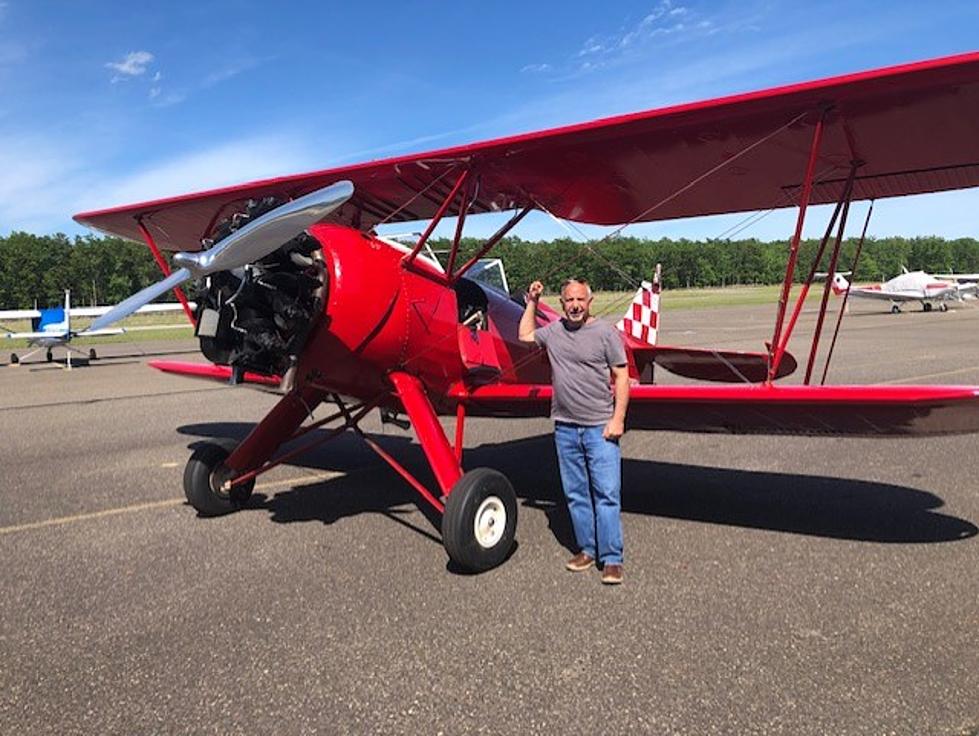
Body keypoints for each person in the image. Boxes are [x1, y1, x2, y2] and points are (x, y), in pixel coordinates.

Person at [518, 278, 630, 585]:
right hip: (565, 427)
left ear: (590, 301)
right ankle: (588, 549)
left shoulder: (606, 332)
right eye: (569, 300)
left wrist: (617, 419)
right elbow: (525, 333)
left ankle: (612, 559)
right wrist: (532, 301)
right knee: (576, 493)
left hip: (599, 426)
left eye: (580, 299)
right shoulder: (554, 331)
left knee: (606, 493)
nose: (575, 305)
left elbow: (622, 376)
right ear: (563, 303)